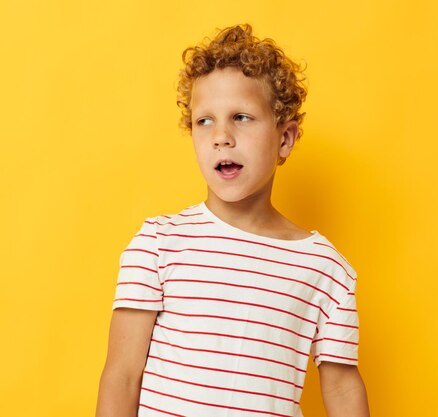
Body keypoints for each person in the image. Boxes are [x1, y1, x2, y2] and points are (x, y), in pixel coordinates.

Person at [96, 23, 370, 417]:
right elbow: (122, 374)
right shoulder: (158, 243)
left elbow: (343, 389)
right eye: (204, 121)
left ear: (285, 139)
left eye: (241, 117)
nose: (221, 136)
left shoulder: (326, 269)